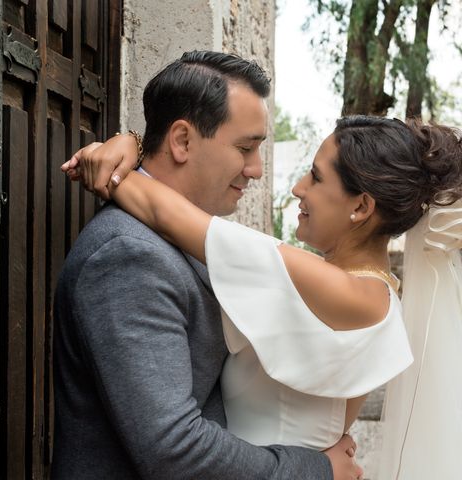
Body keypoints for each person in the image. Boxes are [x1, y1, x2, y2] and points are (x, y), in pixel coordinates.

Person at [64, 114, 462, 479]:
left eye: (315, 177)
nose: (298, 188)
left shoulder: (340, 290)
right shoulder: (372, 291)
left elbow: (166, 213)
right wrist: (132, 142)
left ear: (361, 206)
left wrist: (111, 157)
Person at [52, 50, 361, 480]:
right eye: (245, 148)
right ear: (181, 140)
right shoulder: (129, 255)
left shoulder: (191, 236)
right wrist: (316, 470)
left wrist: (133, 141)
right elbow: (174, 449)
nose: (256, 170)